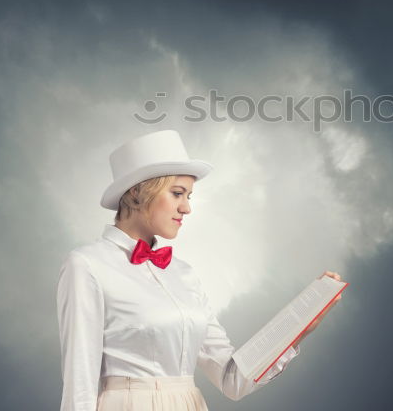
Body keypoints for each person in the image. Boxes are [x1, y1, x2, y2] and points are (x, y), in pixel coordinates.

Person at [57, 129, 344, 411]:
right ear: (137, 192)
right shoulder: (87, 265)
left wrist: (298, 329)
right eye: (177, 193)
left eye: (189, 197)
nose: (186, 209)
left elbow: (232, 379)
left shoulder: (184, 274)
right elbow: (79, 386)